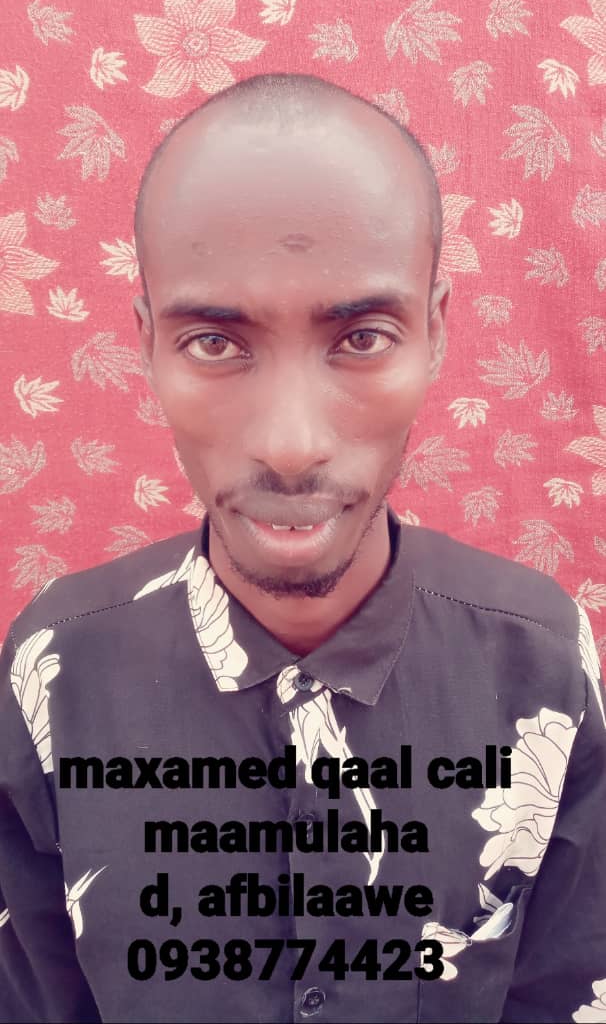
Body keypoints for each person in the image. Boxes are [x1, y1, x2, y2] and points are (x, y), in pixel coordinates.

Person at [0, 71, 604, 1024]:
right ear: (147, 343)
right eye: (215, 343)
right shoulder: (52, 671)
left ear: (436, 332)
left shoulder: (543, 664)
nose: (290, 444)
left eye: (362, 337)